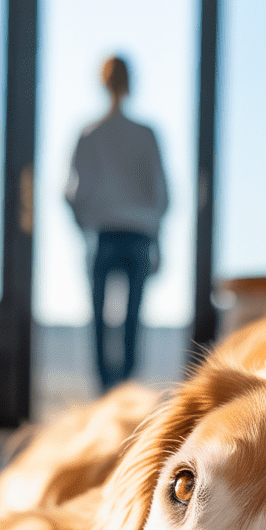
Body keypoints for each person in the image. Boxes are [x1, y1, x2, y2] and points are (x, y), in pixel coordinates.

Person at [64, 56, 169, 392]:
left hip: (104, 236)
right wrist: (158, 242)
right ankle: (125, 391)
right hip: (139, 236)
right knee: (131, 322)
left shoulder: (90, 134)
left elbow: (74, 194)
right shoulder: (146, 135)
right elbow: (160, 195)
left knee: (99, 320)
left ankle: (104, 394)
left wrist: (85, 230)